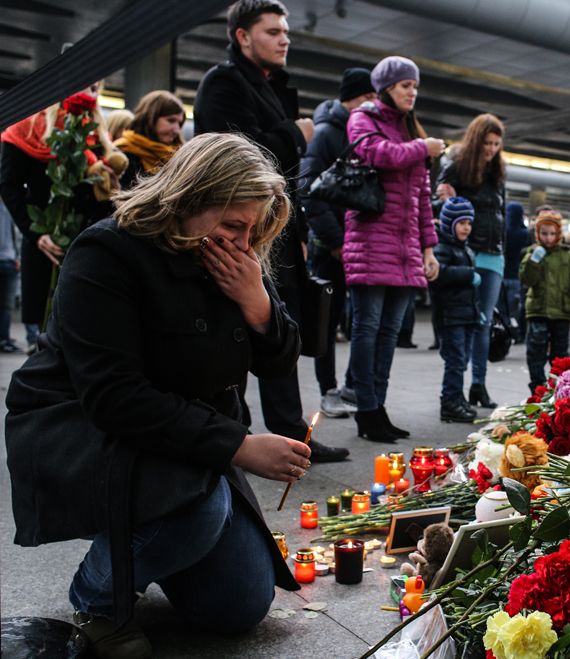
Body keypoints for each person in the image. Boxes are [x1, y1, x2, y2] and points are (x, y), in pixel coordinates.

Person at [5, 133, 311, 659]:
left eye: (253, 230)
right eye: (233, 225)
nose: (243, 243)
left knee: (239, 607)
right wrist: (239, 446)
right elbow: (114, 396)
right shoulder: (107, 251)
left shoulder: (230, 257)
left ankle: (160, 542)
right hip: (82, 428)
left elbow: (278, 360)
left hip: (178, 435)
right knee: (197, 502)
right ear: (190, 197)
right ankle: (98, 597)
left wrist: (256, 301)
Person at [194, 0, 347, 462]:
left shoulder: (272, 87)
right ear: (242, 36)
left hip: (275, 226)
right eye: (272, 31)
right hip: (236, 224)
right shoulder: (223, 83)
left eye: (286, 32)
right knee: (235, 320)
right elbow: (234, 156)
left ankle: (289, 431)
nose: (284, 39)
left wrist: (295, 226)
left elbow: (281, 177)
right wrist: (294, 134)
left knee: (275, 321)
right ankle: (231, 428)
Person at [344, 55, 444, 442]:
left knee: (387, 335)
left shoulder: (409, 130)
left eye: (415, 86)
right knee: (367, 330)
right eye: (406, 85)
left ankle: (379, 408)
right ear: (387, 86)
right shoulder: (364, 119)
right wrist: (421, 147)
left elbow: (420, 198)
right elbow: (377, 154)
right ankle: (365, 410)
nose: (412, 92)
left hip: (404, 251)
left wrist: (428, 249)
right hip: (370, 243)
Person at [0, 81, 118, 355]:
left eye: (97, 86)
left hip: (84, 241)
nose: (92, 90)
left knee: (80, 332)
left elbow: (103, 193)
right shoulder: (27, 128)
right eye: (88, 84)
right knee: (45, 333)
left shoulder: (97, 130)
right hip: (45, 239)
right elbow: (9, 185)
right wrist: (36, 234)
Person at [299, 67, 375, 418]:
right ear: (357, 98)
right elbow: (310, 189)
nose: (375, 104)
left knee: (351, 318)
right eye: (371, 97)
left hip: (350, 243)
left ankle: (346, 386)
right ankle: (328, 390)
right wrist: (334, 241)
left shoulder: (355, 131)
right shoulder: (328, 132)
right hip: (331, 245)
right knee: (326, 322)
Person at [435, 113, 506, 409]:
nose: (491, 149)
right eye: (487, 142)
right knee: (466, 321)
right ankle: (456, 389)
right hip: (470, 253)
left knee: (484, 322)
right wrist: (443, 197)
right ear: (477, 140)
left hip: (495, 254)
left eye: (497, 143)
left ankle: (478, 384)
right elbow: (439, 203)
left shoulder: (497, 171)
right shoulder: (457, 167)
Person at [520, 210, 570, 392]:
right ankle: (537, 387)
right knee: (535, 351)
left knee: (560, 354)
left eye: (552, 233)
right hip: (538, 310)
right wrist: (533, 261)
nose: (549, 238)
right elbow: (527, 280)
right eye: (544, 233)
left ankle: (559, 387)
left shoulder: (568, 256)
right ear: (538, 234)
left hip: (561, 313)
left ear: (558, 233)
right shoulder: (532, 254)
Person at [430, 197, 480, 423]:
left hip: (465, 314)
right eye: (462, 223)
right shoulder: (442, 248)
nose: (466, 227)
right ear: (449, 223)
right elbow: (440, 274)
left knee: (462, 360)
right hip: (450, 315)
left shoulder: (465, 248)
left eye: (469, 223)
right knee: (455, 359)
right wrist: (468, 275)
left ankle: (457, 397)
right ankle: (449, 401)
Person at [115, 90, 185, 189]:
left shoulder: (179, 157)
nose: (177, 130)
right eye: (171, 120)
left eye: (180, 123)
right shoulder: (122, 153)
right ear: (150, 117)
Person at [501, 202, 528, 342]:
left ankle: (503, 335)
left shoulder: (503, 232)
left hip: (501, 276)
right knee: (515, 310)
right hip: (517, 277)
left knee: (501, 310)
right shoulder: (524, 233)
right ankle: (516, 334)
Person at [0, 197, 18, 352]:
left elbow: (17, 233)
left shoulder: (11, 206)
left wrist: (18, 257)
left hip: (10, 260)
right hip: (5, 259)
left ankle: (4, 339)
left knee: (7, 305)